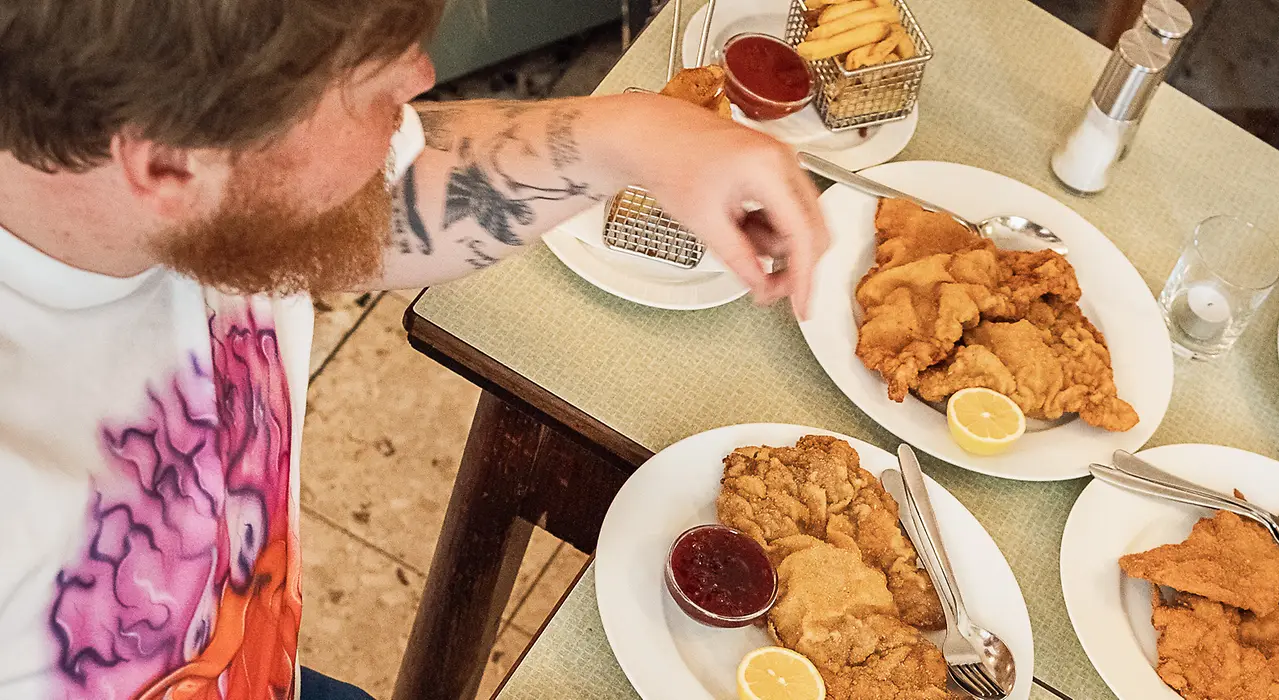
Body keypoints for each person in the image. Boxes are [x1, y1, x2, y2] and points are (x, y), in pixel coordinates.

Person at [0, 1, 830, 698]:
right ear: (170, 164)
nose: (421, 80)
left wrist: (636, 138)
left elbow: (377, 204)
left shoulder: (186, 173)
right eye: (369, 89)